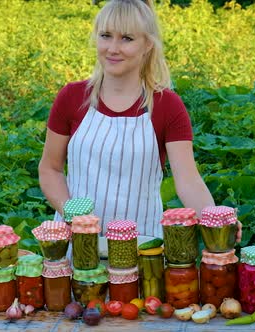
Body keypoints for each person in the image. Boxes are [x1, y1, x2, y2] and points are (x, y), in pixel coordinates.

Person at [38, 0, 240, 240]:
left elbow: (188, 180)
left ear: (147, 45)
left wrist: (214, 217)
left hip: (143, 249)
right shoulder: (72, 97)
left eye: (127, 38)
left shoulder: (167, 106)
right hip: (76, 245)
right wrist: (73, 216)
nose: (113, 48)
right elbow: (50, 169)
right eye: (105, 36)